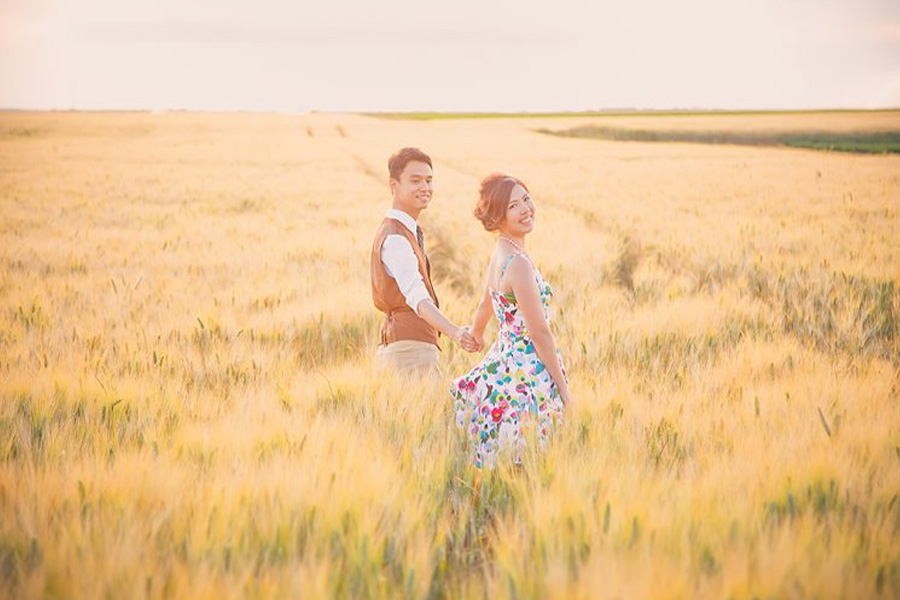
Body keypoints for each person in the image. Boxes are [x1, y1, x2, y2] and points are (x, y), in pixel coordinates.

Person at [451, 173, 570, 468]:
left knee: (508, 460)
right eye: (514, 206)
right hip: (526, 374)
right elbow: (540, 332)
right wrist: (565, 391)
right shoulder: (518, 264)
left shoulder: (502, 253)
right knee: (530, 461)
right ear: (498, 216)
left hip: (503, 362)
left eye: (527, 199)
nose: (526, 209)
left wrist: (476, 334)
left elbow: (486, 301)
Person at [371, 147, 480, 374]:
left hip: (408, 348)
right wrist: (455, 332)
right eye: (415, 180)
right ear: (394, 185)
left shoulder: (403, 231)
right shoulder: (396, 238)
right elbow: (418, 297)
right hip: (410, 353)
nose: (425, 187)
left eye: (429, 180)